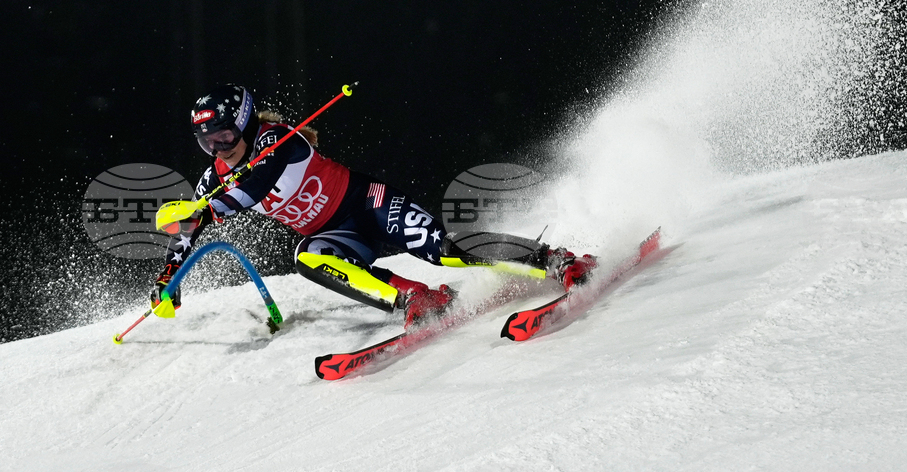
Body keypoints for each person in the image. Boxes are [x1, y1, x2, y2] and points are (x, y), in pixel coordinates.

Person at [151, 85, 597, 327]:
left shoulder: (276, 140)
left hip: (367, 204)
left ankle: (555, 260)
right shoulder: (215, 177)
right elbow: (187, 229)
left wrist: (207, 210)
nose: (219, 148)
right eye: (207, 143)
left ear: (246, 123)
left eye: (225, 136)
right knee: (308, 256)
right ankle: (416, 298)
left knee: (441, 250)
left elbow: (255, 186)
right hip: (335, 234)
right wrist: (168, 278)